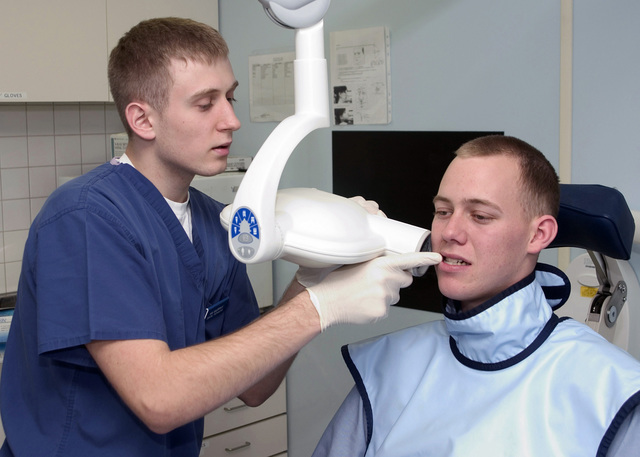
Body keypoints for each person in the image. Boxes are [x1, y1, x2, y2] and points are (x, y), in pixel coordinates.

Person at [0, 18, 440, 456]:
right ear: (142, 119)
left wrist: (311, 281)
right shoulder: (87, 218)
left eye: (229, 97)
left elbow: (254, 386)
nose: (231, 120)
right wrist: (317, 308)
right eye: (205, 103)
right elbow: (159, 398)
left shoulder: (217, 222)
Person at [312, 135, 640, 456]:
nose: (449, 232)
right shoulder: (389, 364)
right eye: (443, 211)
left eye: (480, 216)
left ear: (538, 234)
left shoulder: (612, 391)